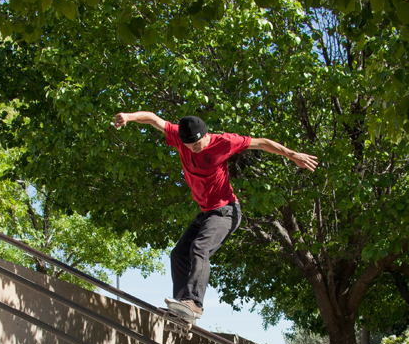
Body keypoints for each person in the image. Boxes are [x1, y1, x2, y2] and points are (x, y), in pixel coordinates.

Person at [112, 111, 318, 321]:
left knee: (200, 248)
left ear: (204, 135)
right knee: (179, 254)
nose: (192, 150)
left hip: (227, 211)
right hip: (207, 213)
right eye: (188, 147)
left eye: (196, 145)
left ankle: (194, 303)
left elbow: (263, 143)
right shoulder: (179, 137)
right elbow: (153, 119)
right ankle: (181, 309)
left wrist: (293, 155)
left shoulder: (225, 142)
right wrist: (129, 117)